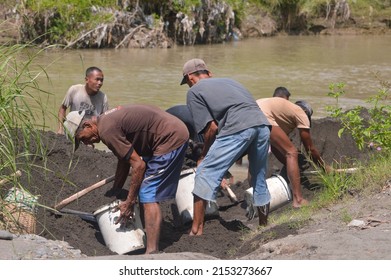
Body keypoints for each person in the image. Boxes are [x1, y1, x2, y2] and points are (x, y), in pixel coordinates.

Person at [62, 105, 189, 254]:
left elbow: (138, 165)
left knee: (148, 193)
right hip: (162, 135)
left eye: (82, 138)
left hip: (169, 137)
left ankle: (152, 252)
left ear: (87, 125)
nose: (87, 143)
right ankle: (147, 232)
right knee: (145, 190)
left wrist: (129, 202)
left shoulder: (107, 130)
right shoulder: (106, 122)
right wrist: (116, 190)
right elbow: (124, 160)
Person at [180, 58, 271, 235]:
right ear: (209, 73)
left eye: (187, 83)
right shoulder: (231, 82)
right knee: (259, 176)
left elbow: (211, 129)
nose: (189, 86)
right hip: (262, 125)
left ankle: (196, 231)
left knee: (204, 173)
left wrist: (204, 156)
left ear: (190, 77)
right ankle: (264, 227)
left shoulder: (194, 92)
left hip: (238, 127)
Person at [256, 97, 331, 208]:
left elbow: (275, 146)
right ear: (306, 112)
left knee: (254, 158)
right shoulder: (301, 112)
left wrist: (290, 166)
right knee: (292, 152)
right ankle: (298, 200)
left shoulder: (283, 112)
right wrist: (325, 168)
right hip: (261, 114)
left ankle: (257, 200)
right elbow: (310, 148)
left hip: (249, 112)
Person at [57, 66, 108, 134]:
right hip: (72, 129)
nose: (100, 83)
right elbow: (63, 109)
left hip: (89, 135)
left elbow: (105, 120)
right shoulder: (74, 90)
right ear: (87, 80)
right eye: (97, 79)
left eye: (101, 80)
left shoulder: (103, 98)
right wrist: (60, 128)